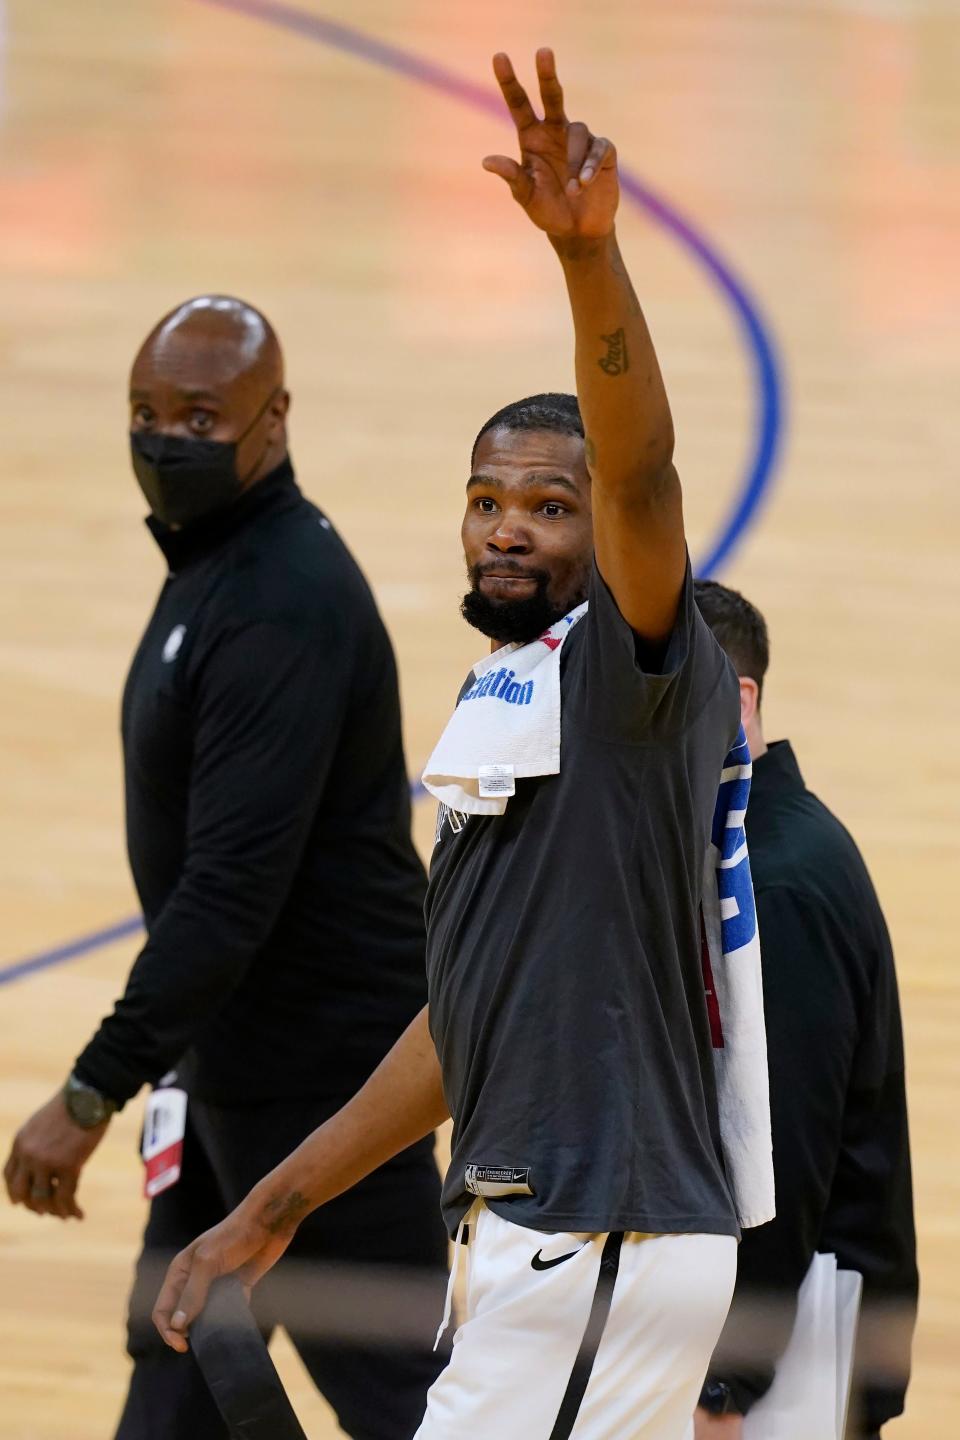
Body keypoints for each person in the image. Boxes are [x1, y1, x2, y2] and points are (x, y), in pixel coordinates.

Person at [151, 51, 773, 1440]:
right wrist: (272, 1208)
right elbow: (462, 1026)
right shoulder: (515, 698)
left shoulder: (633, 669)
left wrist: (590, 260)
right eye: (486, 498)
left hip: (598, 1235)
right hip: (550, 1241)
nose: (508, 524)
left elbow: (642, 469)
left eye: (547, 508)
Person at [2, 295, 449, 1440]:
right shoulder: (223, 562)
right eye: (146, 413)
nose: (166, 440)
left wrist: (94, 1088)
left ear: (273, 418)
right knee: (179, 1349)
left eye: (199, 415)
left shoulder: (277, 605)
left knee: (404, 1397)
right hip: (228, 1061)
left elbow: (228, 894)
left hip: (327, 1081)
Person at [693, 580, 918, 1440]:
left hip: (802, 1337)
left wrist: (727, 1387)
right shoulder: (752, 846)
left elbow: (777, 1149)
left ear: (739, 699)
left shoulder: (777, 884)